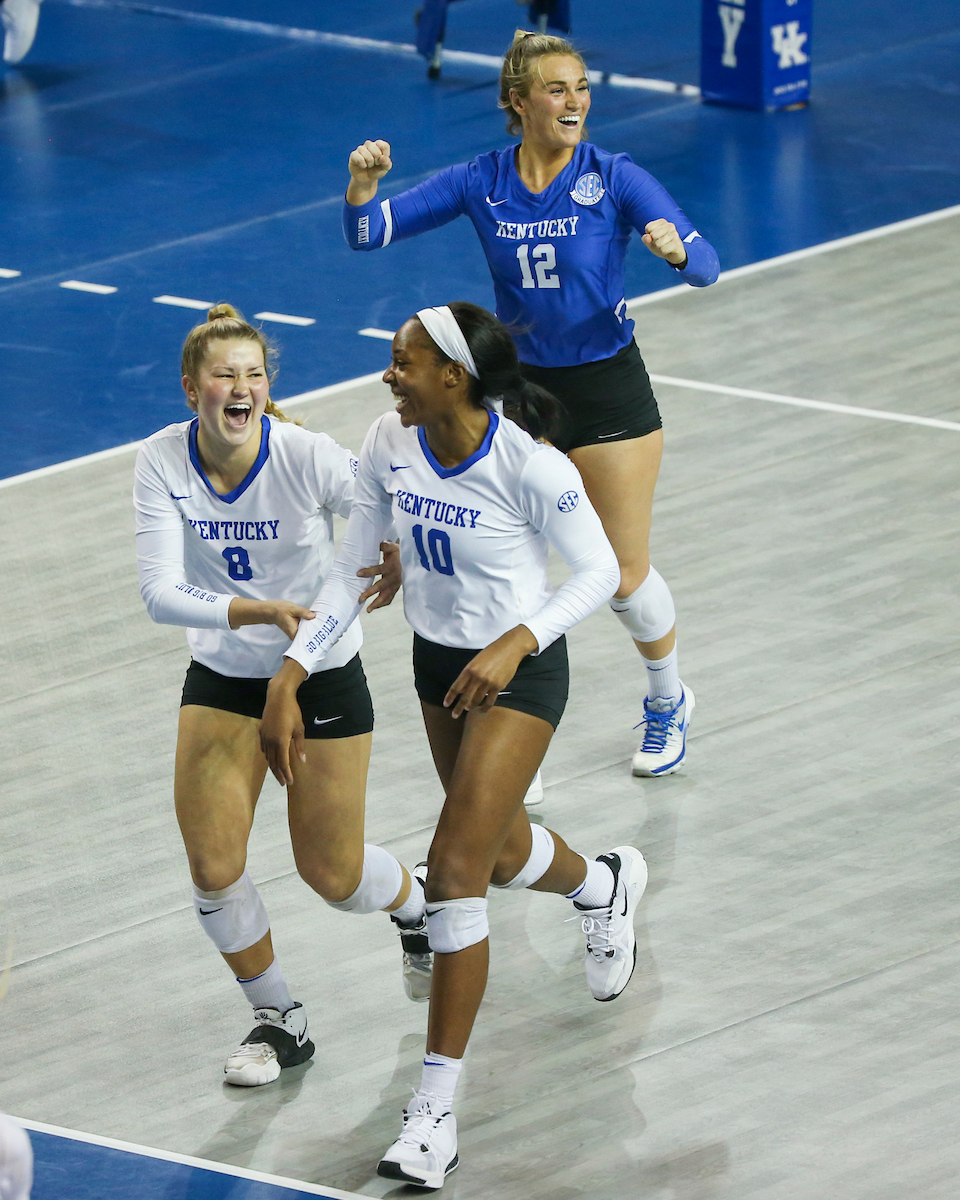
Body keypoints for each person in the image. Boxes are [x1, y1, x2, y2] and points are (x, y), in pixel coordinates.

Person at [260, 302, 648, 1188]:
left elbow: (598, 571)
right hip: (439, 669)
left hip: (518, 673)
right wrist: (291, 669)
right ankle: (605, 885)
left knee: (457, 865)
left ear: (453, 376)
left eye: (402, 362)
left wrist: (520, 638)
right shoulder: (388, 443)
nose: (388, 375)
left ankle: (434, 1113)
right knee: (503, 850)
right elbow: (356, 565)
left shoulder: (532, 466)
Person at [341, 29, 720, 778]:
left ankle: (667, 697)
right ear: (518, 102)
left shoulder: (613, 176)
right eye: (557, 88)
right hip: (517, 392)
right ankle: (513, 727)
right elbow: (367, 234)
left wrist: (675, 251)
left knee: (620, 572)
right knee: (509, 564)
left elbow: (705, 266)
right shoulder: (481, 180)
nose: (575, 100)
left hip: (607, 384)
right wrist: (362, 184)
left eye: (581, 86)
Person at [134, 304, 428, 1087]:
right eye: (225, 375)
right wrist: (256, 611)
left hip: (322, 668)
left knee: (332, 876)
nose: (241, 387)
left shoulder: (305, 455)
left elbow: (379, 519)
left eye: (254, 374)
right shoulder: (162, 460)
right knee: (212, 864)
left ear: (268, 387)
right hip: (225, 676)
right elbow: (160, 594)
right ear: (190, 387)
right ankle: (279, 1019)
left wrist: (396, 550)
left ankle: (412, 899)